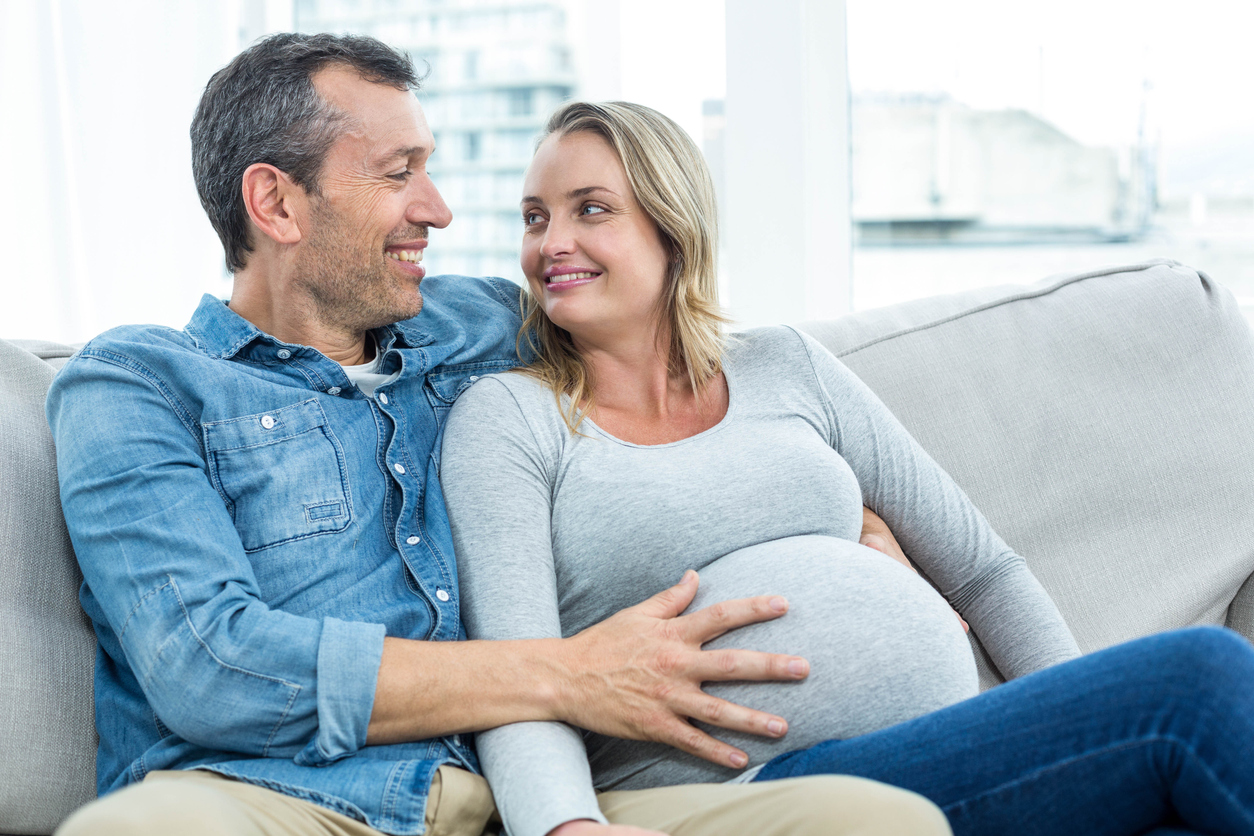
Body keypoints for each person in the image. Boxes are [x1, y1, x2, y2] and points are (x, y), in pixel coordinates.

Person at [45, 33, 952, 836]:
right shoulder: (137, 385)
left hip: (507, 801)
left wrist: (849, 525)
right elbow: (210, 666)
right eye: (398, 174)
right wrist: (563, 674)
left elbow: (658, 355)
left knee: (875, 819)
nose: (438, 210)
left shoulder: (478, 326)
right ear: (277, 205)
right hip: (272, 800)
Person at [438, 99, 1254, 836]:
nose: (552, 244)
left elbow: (981, 570)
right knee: (1199, 679)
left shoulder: (787, 366)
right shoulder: (511, 420)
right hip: (746, 788)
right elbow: (518, 677)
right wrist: (564, 827)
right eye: (535, 217)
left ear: (671, 225)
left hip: (935, 748)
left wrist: (1068, 712)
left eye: (591, 211)